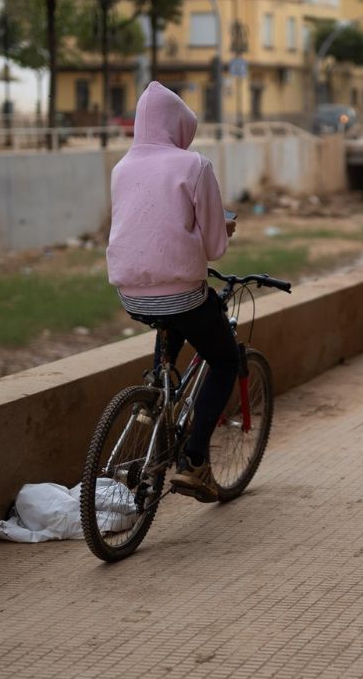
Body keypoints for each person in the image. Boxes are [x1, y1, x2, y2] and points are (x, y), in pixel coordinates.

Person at [106, 81, 238, 503]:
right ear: (179, 125)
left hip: (130, 292)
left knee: (170, 311)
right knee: (224, 359)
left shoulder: (121, 168)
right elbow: (215, 247)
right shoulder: (193, 165)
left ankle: (153, 397)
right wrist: (224, 227)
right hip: (182, 291)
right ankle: (195, 463)